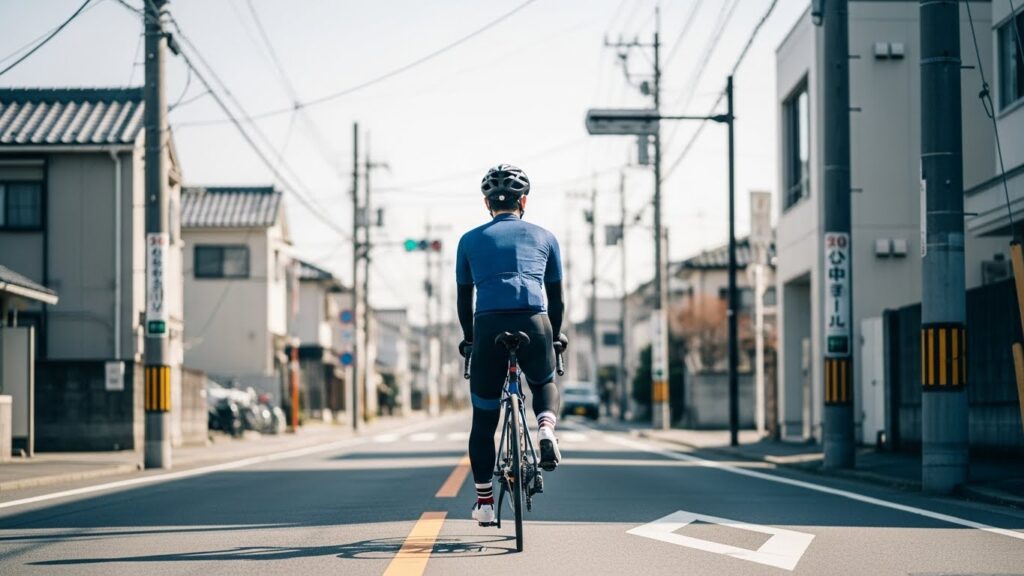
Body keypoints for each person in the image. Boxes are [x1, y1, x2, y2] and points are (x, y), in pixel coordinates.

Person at [456, 163, 567, 526]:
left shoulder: (469, 240)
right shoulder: (546, 237)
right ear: (524, 201)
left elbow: (463, 299)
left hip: (487, 325)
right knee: (544, 381)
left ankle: (485, 504)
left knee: (484, 419)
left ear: (487, 204)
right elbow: (557, 298)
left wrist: (471, 340)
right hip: (535, 321)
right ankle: (546, 428)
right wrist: (557, 335)